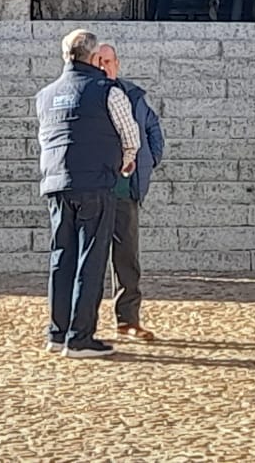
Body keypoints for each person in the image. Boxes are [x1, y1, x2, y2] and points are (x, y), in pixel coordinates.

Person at [36, 29, 140, 359]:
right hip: (95, 182)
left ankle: (57, 331)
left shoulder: (46, 94)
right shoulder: (107, 91)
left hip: (56, 183)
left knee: (61, 257)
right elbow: (131, 137)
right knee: (90, 259)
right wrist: (123, 165)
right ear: (95, 58)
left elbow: (45, 137)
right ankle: (80, 337)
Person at [88, 42, 164, 342]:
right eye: (100, 61)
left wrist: (149, 160)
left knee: (127, 258)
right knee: (91, 257)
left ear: (117, 64)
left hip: (124, 191)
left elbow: (153, 129)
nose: (105, 67)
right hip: (93, 188)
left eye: (109, 61)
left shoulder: (133, 95)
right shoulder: (88, 96)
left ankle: (128, 319)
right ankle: (85, 323)